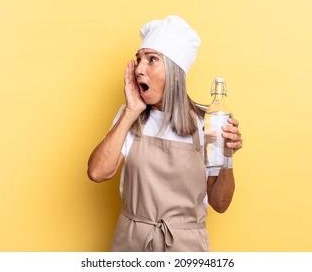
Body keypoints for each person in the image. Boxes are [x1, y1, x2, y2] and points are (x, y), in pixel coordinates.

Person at [87, 15, 243, 252]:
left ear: (174, 71)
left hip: (186, 250)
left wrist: (227, 157)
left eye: (152, 60)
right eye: (138, 59)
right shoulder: (130, 117)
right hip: (131, 245)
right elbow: (98, 172)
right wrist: (130, 112)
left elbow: (220, 204)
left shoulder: (207, 122)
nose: (139, 69)